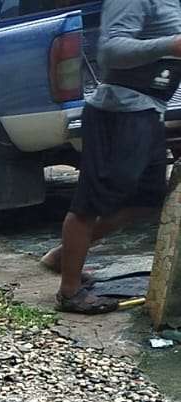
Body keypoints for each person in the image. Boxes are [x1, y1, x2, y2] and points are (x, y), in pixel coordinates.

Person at [43, 0, 181, 314]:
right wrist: (172, 45)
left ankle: (64, 257)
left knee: (146, 201)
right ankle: (70, 292)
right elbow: (110, 50)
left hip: (148, 111)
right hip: (118, 112)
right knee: (91, 202)